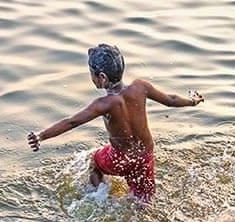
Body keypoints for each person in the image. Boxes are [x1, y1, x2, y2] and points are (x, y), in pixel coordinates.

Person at [27, 43, 204, 202]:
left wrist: (41, 136)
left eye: (91, 74)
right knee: (143, 200)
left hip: (120, 159)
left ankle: (98, 201)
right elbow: (171, 99)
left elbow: (72, 122)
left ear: (102, 78)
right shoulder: (141, 86)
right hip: (144, 156)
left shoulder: (104, 104)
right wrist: (192, 101)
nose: (91, 77)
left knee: (94, 161)